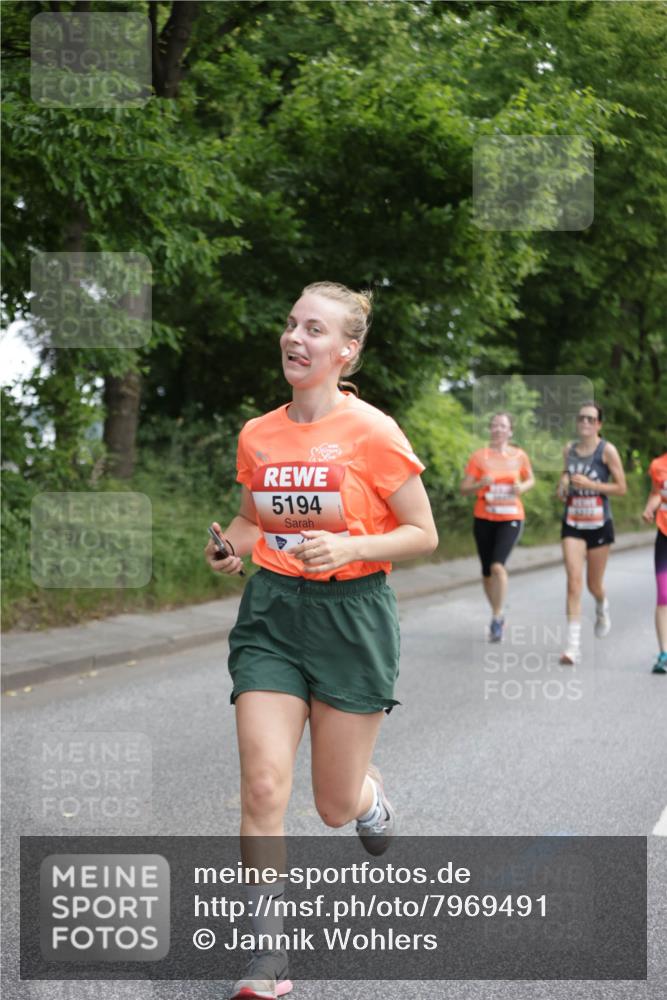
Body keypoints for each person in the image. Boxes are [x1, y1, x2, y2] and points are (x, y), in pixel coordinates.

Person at [204, 281, 438, 1000]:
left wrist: (350, 547)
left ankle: (368, 799)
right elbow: (252, 520)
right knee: (262, 784)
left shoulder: (374, 432)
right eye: (291, 324)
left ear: (346, 350)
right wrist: (229, 548)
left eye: (314, 329)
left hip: (352, 619)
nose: (295, 338)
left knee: (332, 805)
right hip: (273, 616)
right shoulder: (258, 433)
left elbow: (423, 534)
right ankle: (268, 957)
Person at [556, 402, 627, 665]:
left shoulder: (607, 451)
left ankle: (601, 604)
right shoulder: (569, 450)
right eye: (581, 418)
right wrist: (563, 484)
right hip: (573, 522)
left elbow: (621, 488)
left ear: (599, 424)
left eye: (590, 419)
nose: (585, 422)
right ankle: (572, 647)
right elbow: (565, 478)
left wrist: (592, 484)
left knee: (592, 584)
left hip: (599, 524)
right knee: (573, 582)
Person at [460, 412, 535, 641]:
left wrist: (521, 488)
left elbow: (530, 479)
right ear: (490, 429)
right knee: (486, 573)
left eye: (503, 426)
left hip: (511, 517)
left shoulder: (519, 456)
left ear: (510, 431)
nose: (498, 429)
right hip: (484, 518)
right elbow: (464, 488)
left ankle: (496, 616)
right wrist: (480, 483)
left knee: (497, 567)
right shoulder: (479, 457)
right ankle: (498, 613)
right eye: (494, 425)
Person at [642, 443, 667, 674]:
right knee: (663, 595)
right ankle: (664, 655)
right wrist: (650, 508)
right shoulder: (658, 465)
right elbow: (657, 494)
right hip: (665, 536)